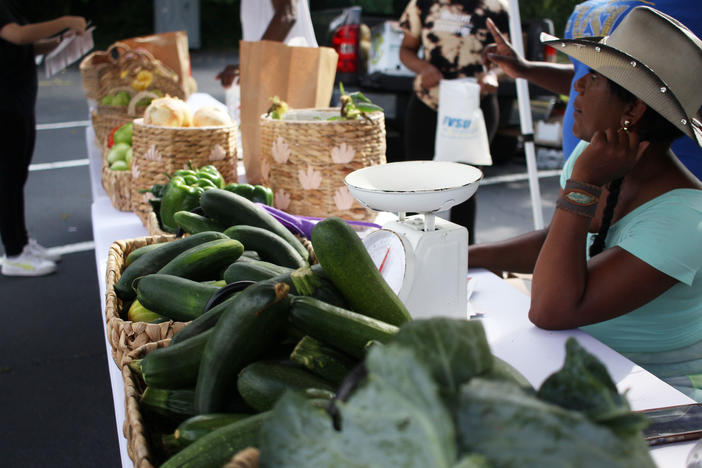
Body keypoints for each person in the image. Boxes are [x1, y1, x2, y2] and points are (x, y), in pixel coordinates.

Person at [469, 6, 702, 401]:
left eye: (592, 78)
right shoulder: (590, 156)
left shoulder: (686, 218)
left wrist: (583, 185)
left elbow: (550, 310)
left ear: (632, 110)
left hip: (663, 401)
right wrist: (468, 256)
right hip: (584, 368)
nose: (576, 87)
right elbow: (562, 245)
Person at [482, 0, 702, 179]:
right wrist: (525, 69)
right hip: (595, 176)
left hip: (656, 183)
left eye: (594, 77)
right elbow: (586, 75)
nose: (580, 86)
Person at [398, 0, 510, 244]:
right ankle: (411, 250)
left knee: (466, 186)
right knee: (417, 183)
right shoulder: (421, 5)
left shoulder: (498, 9)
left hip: (474, 106)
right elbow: (406, 50)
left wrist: (493, 74)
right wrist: (423, 68)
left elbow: (508, 59)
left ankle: (462, 255)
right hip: (429, 102)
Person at [0, 2, 86, 276]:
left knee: (16, 177)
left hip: (18, 103)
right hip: (5, 106)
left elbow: (26, 46)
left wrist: (60, 42)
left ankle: (22, 242)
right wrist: (65, 20)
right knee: (8, 180)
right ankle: (14, 253)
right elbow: (17, 36)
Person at [216, 0, 317, 88]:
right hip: (271, 78)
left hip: (293, 78)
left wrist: (251, 64)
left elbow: (287, 15)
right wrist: (246, 66)